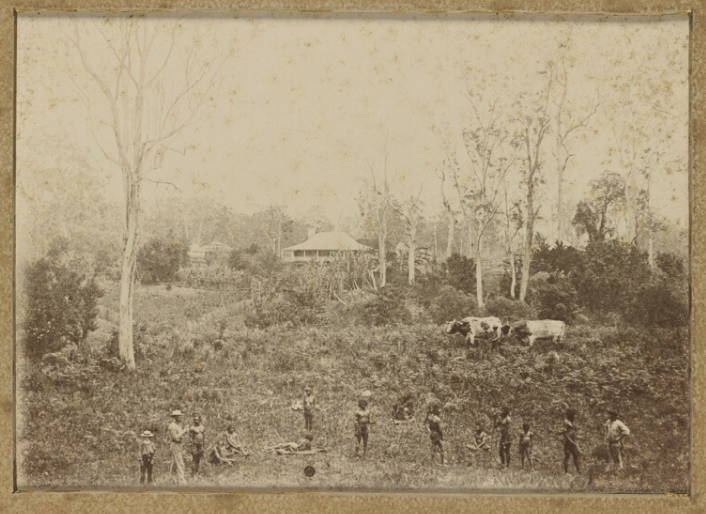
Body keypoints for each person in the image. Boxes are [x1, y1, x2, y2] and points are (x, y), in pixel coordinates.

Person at [167, 410, 188, 485]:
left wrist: (184, 430)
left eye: (180, 416)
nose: (180, 417)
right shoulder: (172, 426)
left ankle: (171, 479)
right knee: (180, 463)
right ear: (174, 417)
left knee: (175, 463)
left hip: (179, 445)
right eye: (178, 416)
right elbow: (175, 438)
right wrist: (184, 431)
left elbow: (180, 435)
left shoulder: (178, 425)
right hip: (175, 445)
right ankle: (182, 481)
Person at [558, 408, 581, 474]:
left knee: (576, 455)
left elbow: (574, 432)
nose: (575, 416)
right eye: (573, 415)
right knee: (567, 456)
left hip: (573, 441)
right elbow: (565, 433)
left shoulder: (573, 422)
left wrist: (576, 439)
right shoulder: (566, 422)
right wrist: (570, 441)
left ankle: (579, 471)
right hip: (568, 442)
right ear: (570, 415)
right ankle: (566, 472)